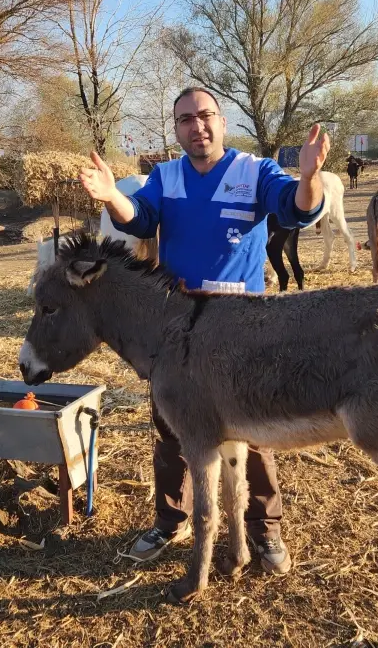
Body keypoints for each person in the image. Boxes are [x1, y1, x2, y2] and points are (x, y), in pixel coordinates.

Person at [78, 86, 330, 574]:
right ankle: (171, 521)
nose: (198, 126)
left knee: (252, 431)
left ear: (223, 120)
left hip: (242, 328)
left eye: (206, 115)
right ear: (176, 129)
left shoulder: (253, 171)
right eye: (186, 119)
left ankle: (265, 528)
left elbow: (295, 208)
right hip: (178, 328)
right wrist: (112, 195)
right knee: (172, 429)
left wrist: (309, 178)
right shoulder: (165, 176)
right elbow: (140, 221)